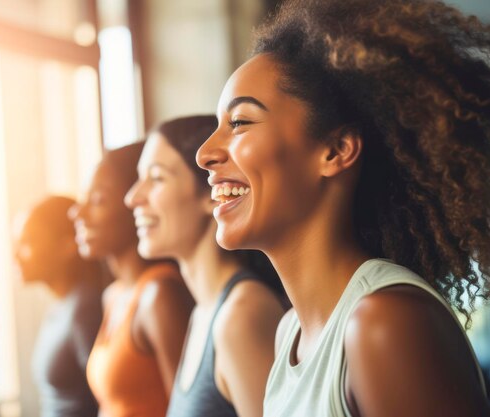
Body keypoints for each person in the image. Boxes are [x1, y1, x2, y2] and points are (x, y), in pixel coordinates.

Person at [196, 0, 490, 416]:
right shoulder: (290, 335)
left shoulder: (385, 322)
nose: (205, 154)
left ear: (336, 151)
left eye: (240, 122)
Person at [125, 115, 286, 417]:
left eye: (156, 178)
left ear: (211, 192)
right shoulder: (204, 311)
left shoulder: (242, 313)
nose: (133, 197)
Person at [69, 143, 194, 417]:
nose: (77, 213)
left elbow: (186, 410)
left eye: (98, 200)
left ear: (136, 203)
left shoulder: (159, 295)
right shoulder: (113, 295)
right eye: (82, 200)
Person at [14, 195, 103, 417]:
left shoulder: (85, 309)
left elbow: (104, 399)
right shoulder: (60, 308)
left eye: (27, 242)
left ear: (67, 246)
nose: (15, 255)